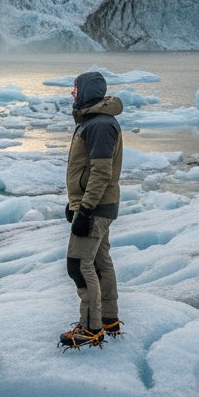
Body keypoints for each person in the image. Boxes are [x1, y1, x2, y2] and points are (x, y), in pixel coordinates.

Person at [60, 70, 123, 349]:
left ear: (86, 91)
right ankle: (108, 318)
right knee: (99, 261)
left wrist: (84, 210)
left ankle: (90, 327)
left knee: (78, 264)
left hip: (95, 207)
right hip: (97, 204)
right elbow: (88, 171)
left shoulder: (98, 124)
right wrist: (74, 202)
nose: (72, 93)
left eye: (75, 89)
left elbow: (100, 173)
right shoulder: (95, 121)